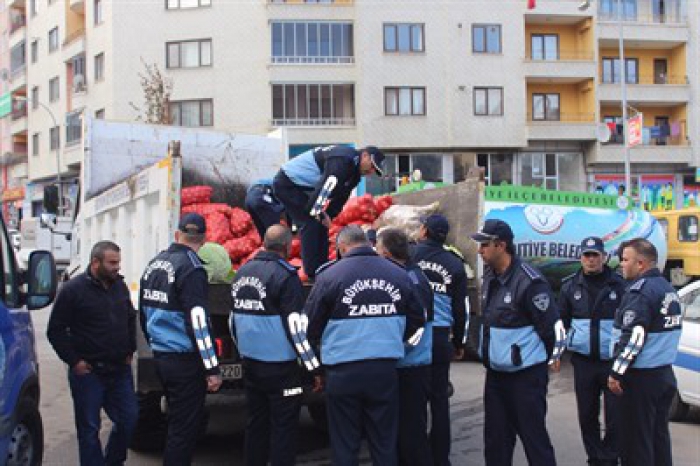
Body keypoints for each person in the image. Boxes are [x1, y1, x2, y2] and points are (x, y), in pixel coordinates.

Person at [306, 225, 425, 466]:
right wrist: (393, 339)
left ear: (342, 248)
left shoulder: (329, 276)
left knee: (345, 444)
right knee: (383, 442)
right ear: (368, 244)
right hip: (384, 370)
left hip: (342, 372)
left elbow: (309, 325)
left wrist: (317, 360)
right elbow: (418, 319)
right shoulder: (398, 274)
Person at [470, 219, 565, 466]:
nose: (479, 250)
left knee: (534, 441)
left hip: (526, 378)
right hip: (496, 376)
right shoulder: (490, 276)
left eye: (484, 245)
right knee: (496, 442)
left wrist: (543, 361)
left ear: (501, 245)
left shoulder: (530, 282)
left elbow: (552, 329)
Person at [230, 224, 320, 466]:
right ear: (288, 246)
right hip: (281, 369)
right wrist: (313, 368)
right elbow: (296, 328)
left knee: (256, 422)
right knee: (284, 427)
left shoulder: (242, 273)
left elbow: (233, 323)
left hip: (251, 363)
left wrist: (243, 352)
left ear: (264, 243)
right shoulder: (285, 276)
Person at [139, 213, 223, 466]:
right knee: (183, 430)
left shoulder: (155, 264)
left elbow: (143, 312)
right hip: (184, 360)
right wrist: (212, 368)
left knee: (176, 425)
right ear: (205, 239)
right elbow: (198, 322)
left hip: (162, 354)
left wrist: (154, 343)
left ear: (177, 235)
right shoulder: (192, 268)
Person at [47, 241, 138, 465]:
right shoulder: (72, 290)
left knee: (129, 420)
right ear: (95, 263)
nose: (117, 267)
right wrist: (74, 361)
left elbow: (130, 318)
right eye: (112, 263)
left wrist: (130, 349)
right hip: (89, 373)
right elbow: (55, 331)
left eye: (118, 262)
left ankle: (113, 461)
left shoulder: (119, 286)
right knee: (89, 430)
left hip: (118, 371)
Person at [608, 238, 682, 466]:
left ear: (641, 264)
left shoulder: (640, 293)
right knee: (657, 438)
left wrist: (616, 373)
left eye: (625, 260)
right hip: (663, 375)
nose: (621, 264)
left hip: (640, 379)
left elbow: (635, 337)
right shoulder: (668, 289)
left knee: (634, 443)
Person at [558, 237, 626, 466]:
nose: (591, 260)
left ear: (604, 257)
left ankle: (609, 457)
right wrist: (556, 354)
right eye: (587, 255)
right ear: (580, 258)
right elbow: (561, 324)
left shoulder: (620, 285)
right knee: (587, 415)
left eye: (595, 255)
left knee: (616, 418)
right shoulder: (569, 286)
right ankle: (595, 458)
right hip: (584, 362)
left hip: (612, 363)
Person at [273, 145, 385, 280]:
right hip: (287, 183)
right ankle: (312, 273)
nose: (371, 171)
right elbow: (324, 189)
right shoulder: (342, 160)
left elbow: (341, 198)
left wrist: (329, 215)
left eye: (374, 170)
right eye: (372, 166)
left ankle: (322, 266)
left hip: (303, 188)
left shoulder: (354, 174)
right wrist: (319, 214)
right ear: (365, 155)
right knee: (310, 222)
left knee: (320, 224)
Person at [410, 214, 467, 466]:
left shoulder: (410, 256)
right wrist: (459, 344)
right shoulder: (455, 264)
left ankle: (419, 457)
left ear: (424, 231)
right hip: (442, 337)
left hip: (415, 336)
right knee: (440, 401)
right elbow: (461, 308)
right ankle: (441, 459)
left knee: (415, 401)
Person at [376, 227, 434, 466]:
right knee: (400, 432)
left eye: (378, 250)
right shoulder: (404, 275)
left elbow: (417, 327)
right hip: (405, 364)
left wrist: (394, 351)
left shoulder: (411, 280)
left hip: (411, 366)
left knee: (411, 433)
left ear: (387, 253)